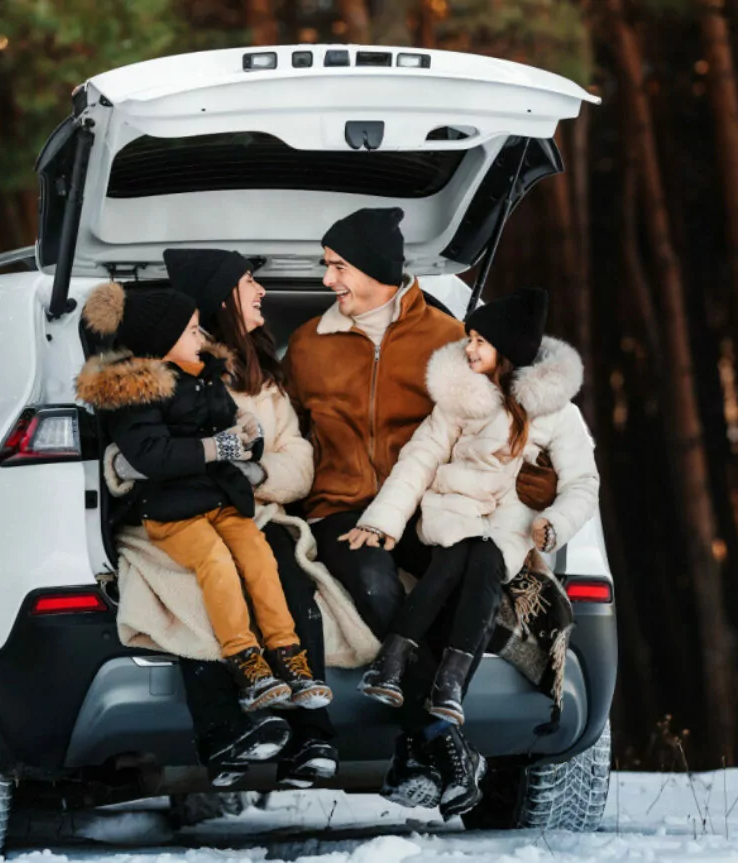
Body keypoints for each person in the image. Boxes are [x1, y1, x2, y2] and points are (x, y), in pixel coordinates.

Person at [283, 207, 555, 817]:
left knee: (458, 579)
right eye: (327, 267)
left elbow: (497, 424)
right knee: (378, 585)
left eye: (338, 267)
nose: (327, 281)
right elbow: (291, 435)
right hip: (341, 507)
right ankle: (444, 739)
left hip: (430, 505)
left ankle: (417, 742)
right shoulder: (305, 346)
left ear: (378, 269)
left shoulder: (449, 339)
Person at [76, 281, 333, 715]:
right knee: (215, 562)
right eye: (193, 330)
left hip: (222, 500)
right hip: (172, 512)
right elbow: (150, 454)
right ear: (161, 342)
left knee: (258, 556)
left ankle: (290, 655)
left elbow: (233, 431)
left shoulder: (206, 377)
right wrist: (219, 448)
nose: (203, 337)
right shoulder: (135, 393)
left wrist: (249, 434)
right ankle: (245, 660)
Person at [356, 289, 600, 745]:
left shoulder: (558, 414)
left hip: (510, 523)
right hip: (452, 510)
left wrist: (556, 524)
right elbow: (418, 461)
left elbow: (583, 483)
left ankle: (444, 676)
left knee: (485, 562)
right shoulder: (459, 400)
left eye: (479, 342)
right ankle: (397, 664)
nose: (468, 349)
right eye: (469, 339)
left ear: (506, 352)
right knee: (455, 555)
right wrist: (383, 521)